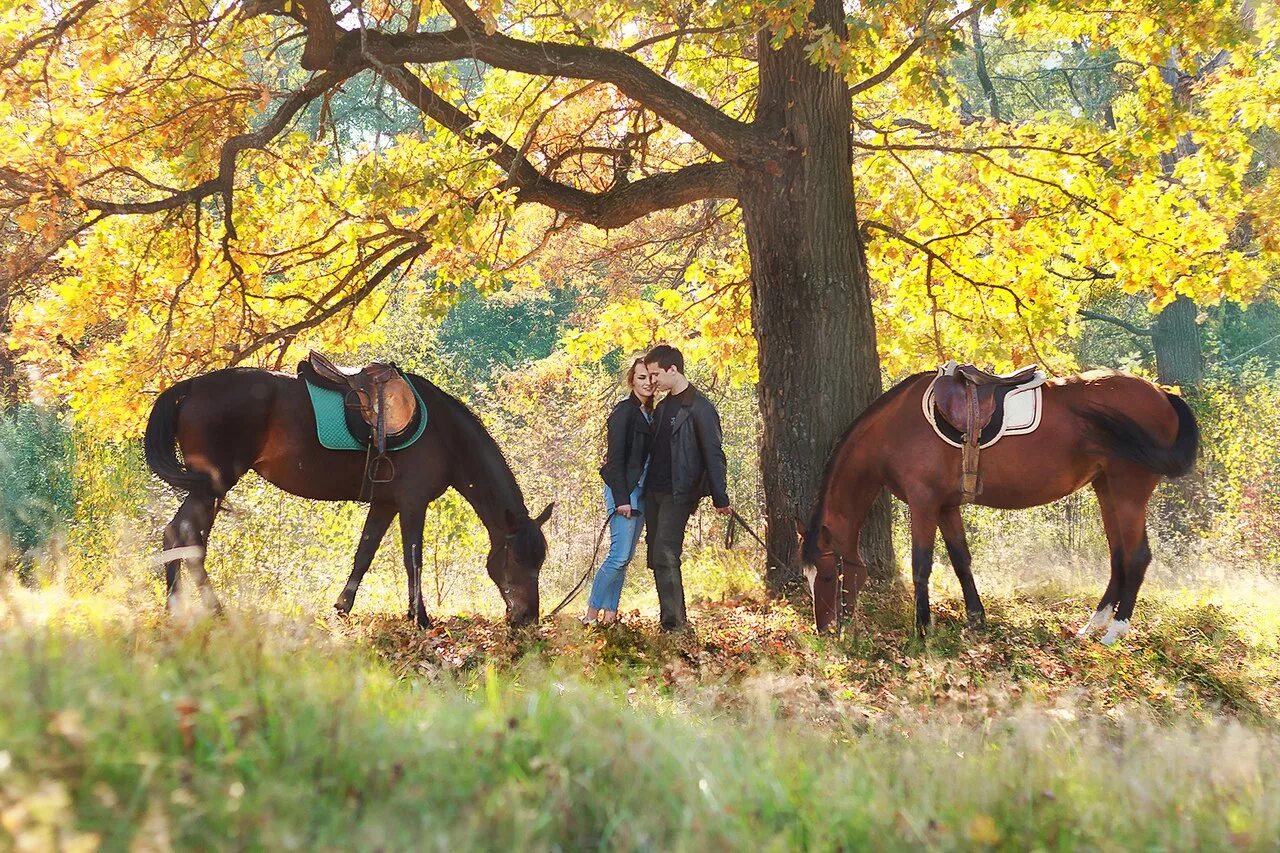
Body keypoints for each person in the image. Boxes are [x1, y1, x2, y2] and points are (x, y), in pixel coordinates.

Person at [642, 344, 731, 632]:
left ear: (673, 370)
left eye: (656, 374)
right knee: (656, 557)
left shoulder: (700, 408)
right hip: (652, 492)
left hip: (679, 492)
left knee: (665, 554)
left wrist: (721, 496)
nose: (652, 380)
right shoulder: (663, 406)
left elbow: (713, 454)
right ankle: (672, 618)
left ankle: (674, 627)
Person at [582, 357, 655, 626]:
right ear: (631, 381)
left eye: (650, 377)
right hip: (623, 491)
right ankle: (590, 614)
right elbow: (614, 461)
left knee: (626, 558)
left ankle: (610, 615)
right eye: (640, 378)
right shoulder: (624, 412)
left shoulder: (651, 414)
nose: (647, 383)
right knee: (618, 555)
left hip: (642, 493)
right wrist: (622, 499)